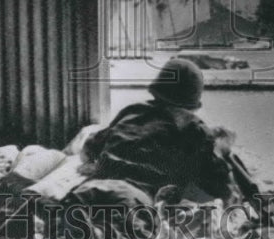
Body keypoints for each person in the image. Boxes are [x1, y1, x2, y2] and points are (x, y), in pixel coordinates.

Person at [80, 58, 238, 203]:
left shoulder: (132, 111)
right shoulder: (194, 129)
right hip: (132, 199)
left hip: (92, 188)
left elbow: (89, 147)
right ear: (193, 102)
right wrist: (221, 150)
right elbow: (222, 188)